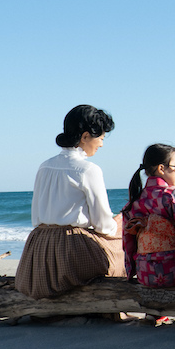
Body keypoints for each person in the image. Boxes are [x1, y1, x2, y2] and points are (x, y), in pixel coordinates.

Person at [15, 105, 126, 299]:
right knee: (121, 235)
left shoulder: (44, 166)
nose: (101, 144)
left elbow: (35, 217)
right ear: (85, 137)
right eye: (100, 138)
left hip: (38, 247)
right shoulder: (88, 169)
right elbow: (103, 225)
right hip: (71, 249)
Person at [121, 144, 175, 287]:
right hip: (174, 270)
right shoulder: (172, 196)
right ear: (161, 168)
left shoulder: (135, 201)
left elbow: (128, 244)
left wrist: (131, 269)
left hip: (144, 272)